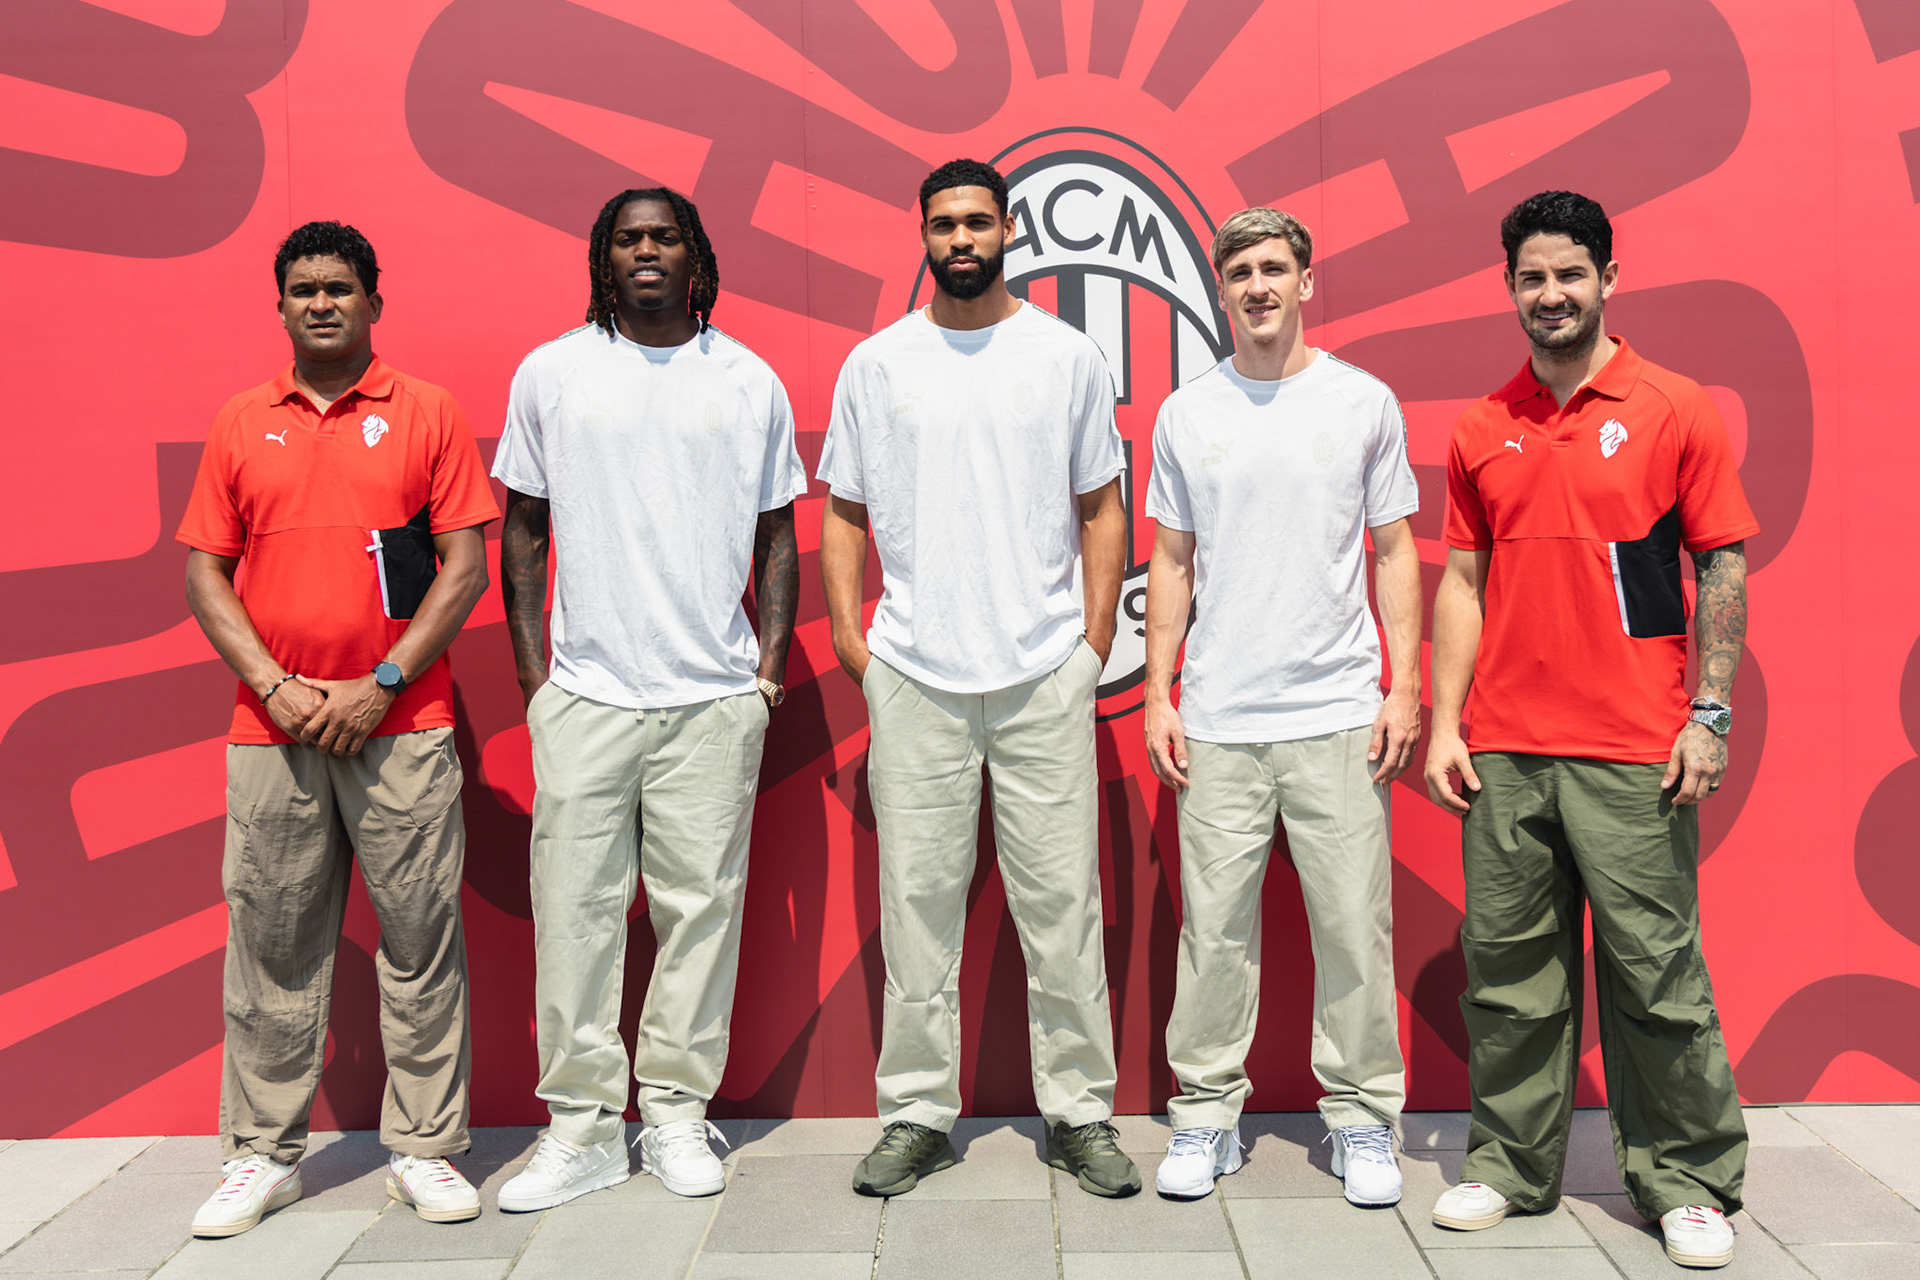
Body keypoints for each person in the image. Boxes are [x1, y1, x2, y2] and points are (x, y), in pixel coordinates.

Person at [1423, 191, 1755, 1270]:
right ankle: (1512, 1166)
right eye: (1532, 277)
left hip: (1634, 748)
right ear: (1509, 286)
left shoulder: (1674, 406)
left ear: (1611, 277)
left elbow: (1723, 564)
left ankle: (1688, 1180)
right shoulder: (1484, 424)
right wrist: (1444, 721)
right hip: (1509, 748)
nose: (1552, 294)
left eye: (1571, 273)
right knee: (1512, 974)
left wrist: (1709, 712)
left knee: (1654, 974)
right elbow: (1462, 582)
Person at [818, 158, 1137, 1198]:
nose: (960, 238)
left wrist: (1089, 642)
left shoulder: (1064, 356)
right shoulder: (878, 363)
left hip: (1044, 666)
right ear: (922, 233)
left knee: (1064, 905)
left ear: (1011, 228)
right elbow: (845, 513)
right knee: (915, 906)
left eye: (977, 221)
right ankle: (915, 1112)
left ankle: (1082, 1110)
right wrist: (854, 643)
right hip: (914, 666)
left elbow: (1102, 506)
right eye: (943, 223)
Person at [178, 221, 497, 1236]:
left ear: (374, 302)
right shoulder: (240, 420)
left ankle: (426, 1147)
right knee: (272, 942)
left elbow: (464, 567)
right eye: (303, 289)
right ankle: (262, 1154)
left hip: (402, 722)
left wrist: (383, 680)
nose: (321, 303)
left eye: (340, 288)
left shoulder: (426, 412)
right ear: (281, 306)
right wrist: (275, 684)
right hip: (273, 730)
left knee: (419, 938)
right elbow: (204, 574)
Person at [492, 187, 804, 1210]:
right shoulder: (554, 372)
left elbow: (777, 536)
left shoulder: (747, 378)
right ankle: (578, 1129)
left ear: (697, 253)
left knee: (699, 914)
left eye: (665, 235)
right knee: (574, 915)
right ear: (602, 256)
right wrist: (538, 681)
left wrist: (765, 672)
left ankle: (673, 1112)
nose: (647, 251)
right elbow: (524, 529)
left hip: (712, 695)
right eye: (628, 237)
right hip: (586, 694)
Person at [1141, 207, 1420, 1205]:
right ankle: (1206, 1116)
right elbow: (1169, 559)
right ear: (1220, 289)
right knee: (1213, 932)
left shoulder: (1362, 402)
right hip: (1219, 716)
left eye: (1274, 268)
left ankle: (1363, 1121)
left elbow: (1394, 549)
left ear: (1308, 280)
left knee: (1353, 927)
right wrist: (1160, 691)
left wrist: (1405, 684)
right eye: (1240, 272)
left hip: (1340, 710)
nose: (1258, 285)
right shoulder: (1188, 412)